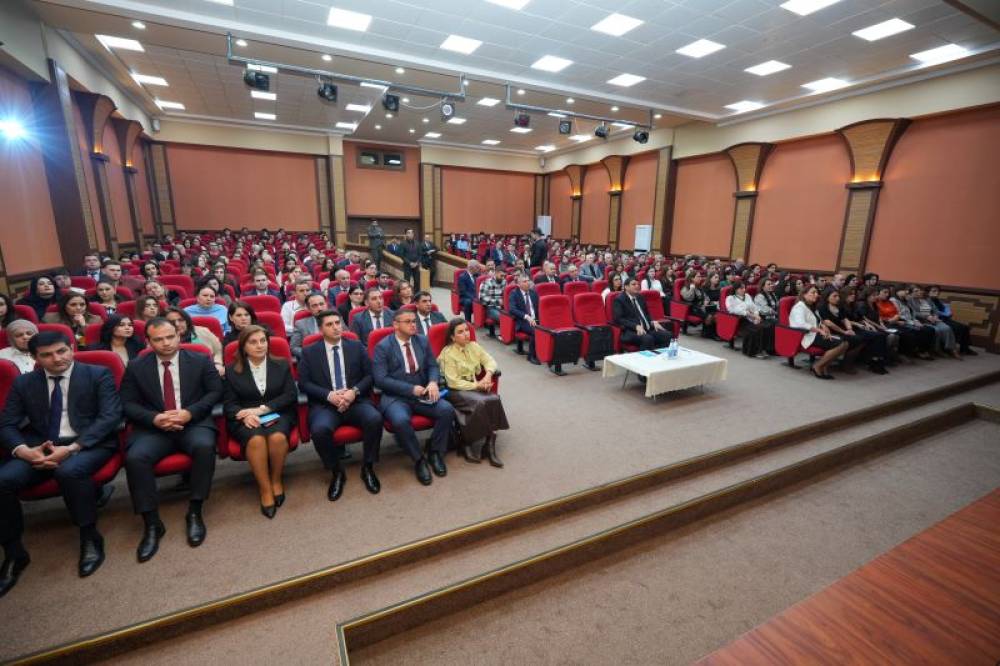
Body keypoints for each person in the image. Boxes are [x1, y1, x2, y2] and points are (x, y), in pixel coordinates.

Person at [0, 330, 122, 592]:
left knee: (69, 472)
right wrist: (23, 450)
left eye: (62, 351)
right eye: (46, 355)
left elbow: (110, 418)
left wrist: (73, 448)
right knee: (3, 481)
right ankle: (13, 552)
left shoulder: (97, 374)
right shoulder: (24, 384)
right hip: (40, 446)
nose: (56, 359)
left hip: (88, 442)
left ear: (71, 348)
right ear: (34, 357)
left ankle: (89, 535)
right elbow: (7, 424)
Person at [120, 317, 224, 562]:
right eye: (158, 339)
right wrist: (154, 418)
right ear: (148, 342)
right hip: (155, 427)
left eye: (170, 337)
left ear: (179, 336)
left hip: (193, 422)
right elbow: (127, 403)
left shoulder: (199, 360)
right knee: (135, 458)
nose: (166, 343)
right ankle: (152, 522)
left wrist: (190, 413)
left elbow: (215, 392)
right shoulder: (136, 366)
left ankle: (195, 510)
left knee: (204, 446)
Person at [298, 310, 383, 500]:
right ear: (320, 329)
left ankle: (368, 467)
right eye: (329, 324)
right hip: (325, 404)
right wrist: (329, 395)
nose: (336, 327)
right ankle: (337, 472)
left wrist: (354, 392)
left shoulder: (356, 346)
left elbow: (370, 376)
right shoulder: (310, 351)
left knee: (375, 419)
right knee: (319, 430)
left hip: (355, 400)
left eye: (338, 323)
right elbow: (304, 383)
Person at [373, 310, 455, 485]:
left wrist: (433, 382)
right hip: (396, 396)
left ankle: (435, 452)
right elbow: (380, 380)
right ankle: (419, 460)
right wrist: (410, 389)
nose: (413, 324)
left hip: (423, 393)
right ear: (395, 325)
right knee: (401, 421)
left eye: (414, 321)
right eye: (408, 321)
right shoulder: (383, 346)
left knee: (446, 410)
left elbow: (433, 365)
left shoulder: (422, 340)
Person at [223, 326, 298, 518]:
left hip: (277, 413)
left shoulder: (281, 364)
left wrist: (263, 409)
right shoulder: (232, 370)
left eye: (263, 341)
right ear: (243, 346)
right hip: (245, 417)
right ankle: (265, 489)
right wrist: (245, 415)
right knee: (255, 440)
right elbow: (229, 405)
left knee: (277, 437)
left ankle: (276, 480)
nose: (259, 346)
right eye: (253, 342)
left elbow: (290, 395)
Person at [437, 319, 508, 467]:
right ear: (452, 337)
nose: (466, 334)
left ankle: (488, 446)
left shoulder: (474, 346)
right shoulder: (448, 353)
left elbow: (490, 361)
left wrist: (488, 376)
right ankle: (467, 442)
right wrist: (478, 385)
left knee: (494, 399)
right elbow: (453, 382)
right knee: (481, 402)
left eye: (467, 330)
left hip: (473, 387)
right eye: (460, 332)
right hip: (454, 391)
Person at [788, 285, 848, 379]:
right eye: (813, 293)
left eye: (817, 292)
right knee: (841, 344)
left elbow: (817, 320)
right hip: (805, 335)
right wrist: (819, 330)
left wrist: (822, 325)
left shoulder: (811, 306)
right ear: (804, 295)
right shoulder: (799, 307)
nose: (816, 295)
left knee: (845, 343)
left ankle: (823, 366)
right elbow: (801, 324)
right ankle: (818, 366)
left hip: (814, 333)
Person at [613, 278, 672, 352]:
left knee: (667, 335)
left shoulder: (640, 297)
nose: (637, 286)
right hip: (630, 331)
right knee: (647, 339)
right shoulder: (619, 299)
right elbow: (619, 319)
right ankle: (643, 361)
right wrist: (635, 326)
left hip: (647, 328)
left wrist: (652, 321)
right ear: (626, 287)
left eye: (638, 284)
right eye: (633, 284)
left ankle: (659, 357)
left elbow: (646, 314)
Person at [164, 307, 225, 375]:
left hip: (208, 372)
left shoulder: (203, 331)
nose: (177, 324)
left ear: (187, 321)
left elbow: (218, 350)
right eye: (172, 322)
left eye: (181, 320)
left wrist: (217, 364)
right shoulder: (163, 340)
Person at [908, 285, 960, 359]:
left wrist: (935, 316)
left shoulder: (925, 299)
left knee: (946, 328)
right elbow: (914, 313)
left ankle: (951, 349)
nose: (918, 292)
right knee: (937, 330)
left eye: (919, 290)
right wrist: (927, 317)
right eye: (916, 291)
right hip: (922, 321)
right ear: (911, 293)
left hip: (933, 319)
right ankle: (937, 349)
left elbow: (934, 309)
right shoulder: (910, 301)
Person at [725, 283, 772, 358]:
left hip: (752, 318)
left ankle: (763, 349)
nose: (744, 290)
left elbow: (754, 307)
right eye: (741, 288)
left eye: (744, 288)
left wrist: (757, 315)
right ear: (736, 290)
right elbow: (731, 310)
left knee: (766, 326)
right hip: (739, 320)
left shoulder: (747, 296)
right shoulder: (730, 298)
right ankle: (752, 351)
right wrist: (749, 314)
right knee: (755, 329)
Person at [927, 285, 976, 355]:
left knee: (965, 327)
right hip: (936, 320)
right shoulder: (927, 301)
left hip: (945, 319)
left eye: (938, 291)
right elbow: (934, 312)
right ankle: (951, 348)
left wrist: (948, 313)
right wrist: (944, 314)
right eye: (934, 291)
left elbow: (945, 310)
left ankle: (965, 348)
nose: (937, 292)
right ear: (928, 292)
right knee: (958, 327)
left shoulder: (937, 300)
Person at [508, 274, 541, 365]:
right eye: (524, 281)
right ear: (519, 284)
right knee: (536, 331)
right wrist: (527, 317)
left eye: (528, 281)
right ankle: (531, 356)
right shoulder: (514, 294)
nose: (528, 283)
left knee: (549, 328)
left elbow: (538, 307)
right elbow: (512, 309)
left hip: (536, 319)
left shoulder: (533, 293)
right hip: (522, 321)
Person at [289, 292, 328, 360]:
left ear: (326, 304)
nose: (319, 308)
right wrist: (309, 355)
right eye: (314, 306)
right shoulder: (301, 324)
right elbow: (294, 347)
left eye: (321, 304)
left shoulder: (337, 319)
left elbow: (347, 337)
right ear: (308, 308)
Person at [476, 266, 506, 338]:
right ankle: (504, 335)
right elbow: (482, 299)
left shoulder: (504, 282)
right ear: (495, 273)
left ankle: (506, 335)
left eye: (504, 276)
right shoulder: (486, 283)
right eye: (501, 275)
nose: (503, 278)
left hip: (502, 307)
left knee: (512, 316)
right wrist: (498, 302)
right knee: (503, 318)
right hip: (490, 308)